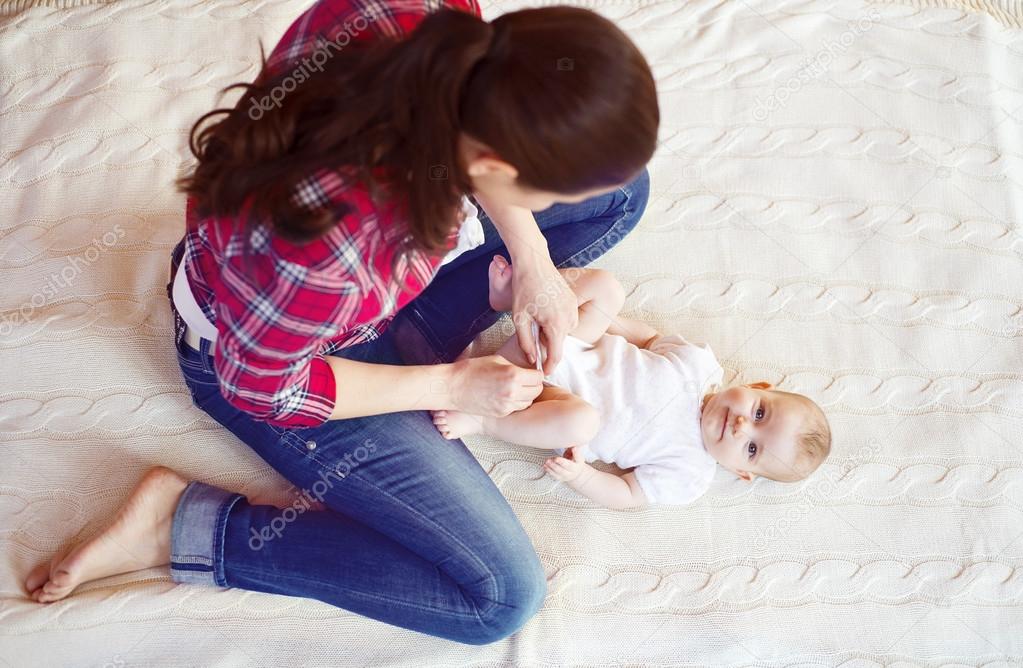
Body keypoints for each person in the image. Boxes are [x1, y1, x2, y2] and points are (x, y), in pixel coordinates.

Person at [22, 0, 658, 646]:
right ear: (492, 169)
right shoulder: (330, 253)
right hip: (268, 363)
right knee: (501, 598)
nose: (550, 208)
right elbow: (264, 388)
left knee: (622, 189)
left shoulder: (431, 18)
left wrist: (533, 262)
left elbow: (479, 122)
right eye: (544, 194)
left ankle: (428, 339)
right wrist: (450, 387)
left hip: (359, 291)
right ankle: (179, 526)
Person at [432, 256, 831, 508]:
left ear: (743, 472)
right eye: (759, 412)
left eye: (751, 449)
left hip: (546, 397)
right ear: (758, 389)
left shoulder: (689, 473)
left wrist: (584, 478)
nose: (743, 426)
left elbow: (628, 494)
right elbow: (647, 339)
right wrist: (598, 313)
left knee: (582, 423)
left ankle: (483, 418)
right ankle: (521, 299)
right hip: (561, 344)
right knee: (608, 287)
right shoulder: (701, 364)